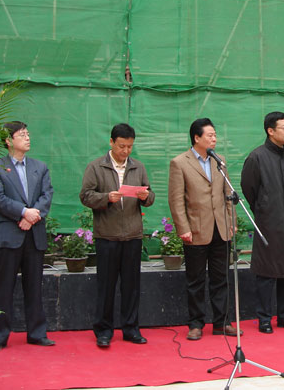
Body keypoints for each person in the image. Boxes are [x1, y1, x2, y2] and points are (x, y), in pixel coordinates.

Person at [80, 123, 155, 348]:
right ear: (111, 142)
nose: (125, 151)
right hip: (107, 235)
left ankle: (131, 328)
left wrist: (145, 196)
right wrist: (106, 198)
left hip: (132, 235)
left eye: (130, 147)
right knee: (106, 286)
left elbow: (150, 196)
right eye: (122, 146)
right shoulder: (96, 167)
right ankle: (104, 330)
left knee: (131, 286)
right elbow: (85, 196)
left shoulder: (138, 167)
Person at [168, 118, 240, 340]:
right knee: (196, 280)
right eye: (210, 135)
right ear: (196, 138)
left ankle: (222, 322)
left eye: (215, 135)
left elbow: (228, 194)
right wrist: (183, 227)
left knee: (221, 278)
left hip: (221, 227)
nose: (214, 139)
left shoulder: (220, 161)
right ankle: (196, 324)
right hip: (196, 229)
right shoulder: (180, 163)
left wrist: (232, 221)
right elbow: (176, 200)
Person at [0, 121, 54, 351]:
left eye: (28, 134)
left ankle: (37, 333)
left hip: (34, 235)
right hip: (9, 235)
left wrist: (31, 217)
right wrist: (23, 212)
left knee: (34, 287)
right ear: (8, 140)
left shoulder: (39, 167)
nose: (27, 138)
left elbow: (46, 196)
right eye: (22, 135)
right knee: (3, 287)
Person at [241, 111, 284, 334]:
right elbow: (248, 188)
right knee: (267, 272)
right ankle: (264, 318)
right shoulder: (256, 157)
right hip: (268, 221)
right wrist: (263, 208)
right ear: (270, 131)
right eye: (283, 128)